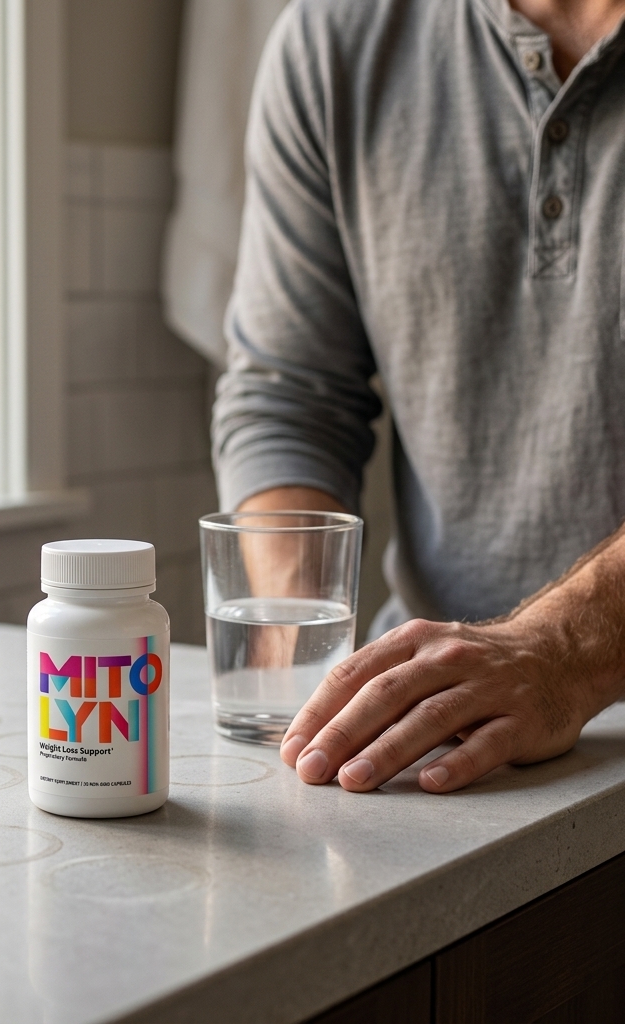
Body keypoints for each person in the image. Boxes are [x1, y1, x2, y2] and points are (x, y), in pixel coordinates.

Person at [213, 0, 625, 794]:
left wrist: (562, 651)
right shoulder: (335, 39)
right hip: (429, 752)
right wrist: (314, 675)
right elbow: (290, 397)